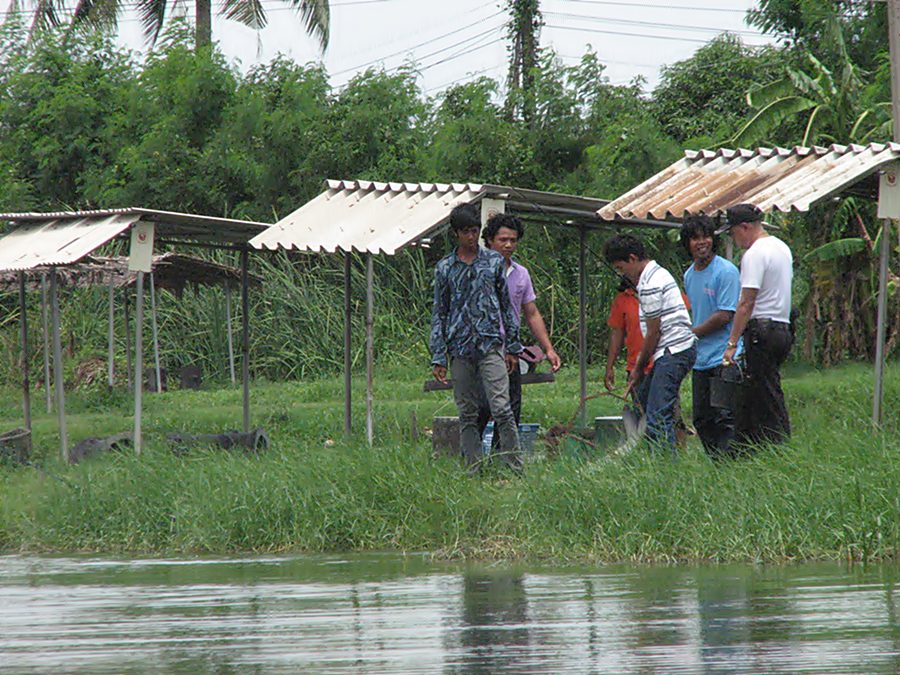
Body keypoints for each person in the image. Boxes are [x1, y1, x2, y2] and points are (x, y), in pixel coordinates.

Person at [430, 203, 523, 473]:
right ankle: (473, 467)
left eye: (475, 231)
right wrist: (438, 355)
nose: (471, 237)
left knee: (502, 408)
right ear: (456, 234)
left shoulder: (493, 262)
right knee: (467, 413)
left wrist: (513, 347)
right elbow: (440, 312)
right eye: (466, 233)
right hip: (459, 348)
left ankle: (515, 467)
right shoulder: (445, 268)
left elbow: (506, 306)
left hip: (490, 344)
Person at [603, 234, 696, 454]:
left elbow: (653, 333)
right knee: (642, 401)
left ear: (633, 259)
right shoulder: (653, 275)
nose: (621, 273)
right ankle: (649, 455)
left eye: (621, 267)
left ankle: (665, 466)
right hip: (666, 351)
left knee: (657, 414)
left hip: (673, 350)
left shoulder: (650, 283)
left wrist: (638, 367)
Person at [476, 213, 562, 445]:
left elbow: (531, 313)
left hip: (512, 350)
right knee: (483, 407)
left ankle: (502, 459)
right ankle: (471, 460)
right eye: (503, 239)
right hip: (483, 350)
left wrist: (548, 348)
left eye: (513, 240)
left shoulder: (521, 274)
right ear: (490, 241)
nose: (508, 245)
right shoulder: (476, 270)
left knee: (511, 409)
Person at [721, 203, 794, 447]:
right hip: (782, 328)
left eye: (733, 233)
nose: (734, 238)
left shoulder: (754, 254)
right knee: (755, 389)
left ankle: (778, 443)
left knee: (766, 391)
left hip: (761, 330)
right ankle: (746, 446)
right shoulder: (781, 248)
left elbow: (746, 303)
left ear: (744, 227)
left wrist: (732, 343)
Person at [682, 214, 743, 460]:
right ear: (687, 243)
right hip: (701, 359)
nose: (701, 242)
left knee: (724, 417)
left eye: (706, 236)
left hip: (724, 357)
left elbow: (725, 315)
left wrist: (691, 334)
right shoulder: (688, 275)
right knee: (702, 418)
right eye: (695, 238)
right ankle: (717, 464)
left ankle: (732, 466)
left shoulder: (726, 272)